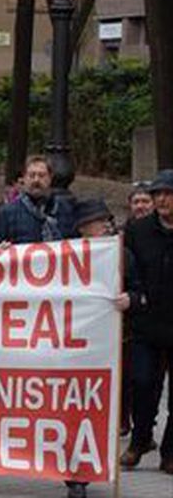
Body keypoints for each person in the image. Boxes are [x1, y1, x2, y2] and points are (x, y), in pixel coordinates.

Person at [64, 197, 133, 498]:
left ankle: (83, 474)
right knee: (70, 413)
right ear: (82, 228)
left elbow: (141, 290)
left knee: (93, 412)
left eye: (107, 219)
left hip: (106, 350)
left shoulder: (123, 256)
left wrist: (132, 298)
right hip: (69, 349)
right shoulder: (62, 255)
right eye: (99, 220)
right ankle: (73, 473)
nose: (106, 225)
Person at [121, 168, 173, 475]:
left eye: (167, 194)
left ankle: (170, 452)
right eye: (158, 195)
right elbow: (128, 269)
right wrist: (134, 297)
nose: (162, 199)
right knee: (141, 383)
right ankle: (140, 440)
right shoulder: (139, 231)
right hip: (147, 323)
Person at [0, 155, 74, 243]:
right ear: (24, 178)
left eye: (41, 175)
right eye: (32, 175)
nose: (36, 180)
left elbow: (75, 243)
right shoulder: (6, 212)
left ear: (50, 178)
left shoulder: (64, 209)